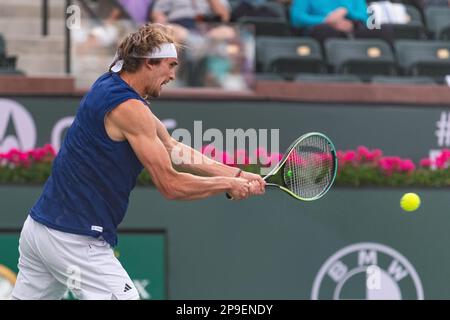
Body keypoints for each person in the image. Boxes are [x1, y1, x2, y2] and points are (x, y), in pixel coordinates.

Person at [11, 23, 265, 300]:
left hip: (38, 230)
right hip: (74, 238)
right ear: (148, 63)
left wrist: (237, 175)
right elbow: (171, 185)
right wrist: (226, 184)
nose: (172, 74)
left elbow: (171, 146)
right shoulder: (129, 109)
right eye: (170, 65)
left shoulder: (109, 83)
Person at [290, 0, 393, 45]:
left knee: (385, 29)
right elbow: (297, 18)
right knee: (325, 30)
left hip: (353, 28)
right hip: (321, 28)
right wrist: (326, 21)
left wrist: (346, 12)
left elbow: (365, 17)